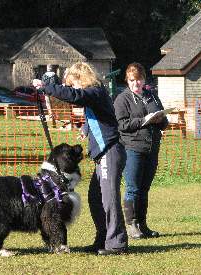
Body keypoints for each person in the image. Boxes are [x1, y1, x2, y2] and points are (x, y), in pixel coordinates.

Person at [33, 62, 128, 255]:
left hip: (110, 152)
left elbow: (77, 97)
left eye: (73, 83)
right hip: (103, 154)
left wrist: (46, 87)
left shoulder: (95, 91)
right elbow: (99, 115)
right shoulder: (95, 95)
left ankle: (117, 243)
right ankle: (102, 240)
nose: (72, 88)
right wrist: (86, 129)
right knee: (96, 199)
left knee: (109, 200)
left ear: (81, 78)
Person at [113, 62, 169, 239]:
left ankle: (143, 225)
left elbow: (164, 123)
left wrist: (161, 119)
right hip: (132, 148)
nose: (135, 83)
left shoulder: (152, 96)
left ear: (144, 79)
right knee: (133, 188)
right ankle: (132, 225)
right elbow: (121, 125)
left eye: (138, 80)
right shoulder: (122, 99)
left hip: (152, 148)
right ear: (127, 81)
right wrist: (143, 120)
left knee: (144, 188)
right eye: (132, 80)